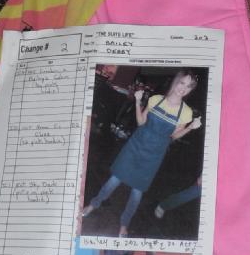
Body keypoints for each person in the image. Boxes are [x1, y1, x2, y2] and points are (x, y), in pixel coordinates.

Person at [82, 70, 202, 236]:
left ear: (190, 90)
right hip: (136, 145)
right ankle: (93, 205)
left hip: (154, 154)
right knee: (115, 179)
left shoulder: (186, 112)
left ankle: (124, 224)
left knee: (137, 191)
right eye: (182, 83)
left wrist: (190, 128)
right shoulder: (156, 100)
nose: (183, 88)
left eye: (188, 86)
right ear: (176, 82)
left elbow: (174, 136)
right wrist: (138, 102)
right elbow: (141, 122)